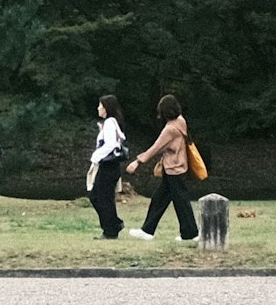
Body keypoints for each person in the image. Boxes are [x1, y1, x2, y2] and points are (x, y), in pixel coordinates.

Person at [134, 90, 198, 242]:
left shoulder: (170, 129)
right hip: (179, 166)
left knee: (180, 202)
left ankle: (191, 233)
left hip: (173, 168)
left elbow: (156, 148)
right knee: (161, 199)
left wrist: (138, 161)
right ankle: (148, 230)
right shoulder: (181, 121)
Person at [85, 93, 130, 238]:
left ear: (106, 108)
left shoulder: (110, 122)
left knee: (99, 197)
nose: (98, 108)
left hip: (107, 165)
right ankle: (113, 225)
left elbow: (110, 144)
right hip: (112, 166)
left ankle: (111, 228)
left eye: (100, 105)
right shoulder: (112, 122)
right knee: (103, 197)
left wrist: (96, 157)